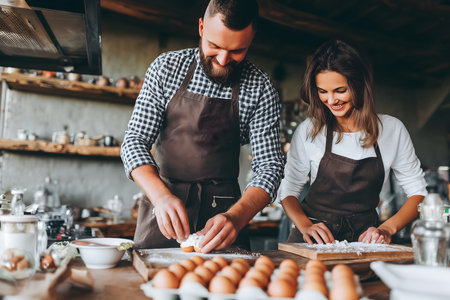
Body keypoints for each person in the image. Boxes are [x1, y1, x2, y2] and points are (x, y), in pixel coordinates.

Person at [121, 0, 284, 253]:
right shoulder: (167, 68)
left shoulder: (261, 88)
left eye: (237, 51)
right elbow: (134, 142)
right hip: (163, 211)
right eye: (214, 46)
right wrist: (161, 197)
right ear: (201, 27)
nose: (223, 59)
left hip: (225, 217)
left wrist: (237, 217)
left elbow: (270, 166)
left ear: (252, 38)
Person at [278, 40, 427, 244]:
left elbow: (418, 193)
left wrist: (386, 229)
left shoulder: (392, 130)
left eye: (340, 90)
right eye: (323, 91)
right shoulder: (309, 130)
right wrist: (305, 225)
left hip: (365, 242)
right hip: (313, 241)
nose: (331, 100)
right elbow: (288, 190)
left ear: (360, 85)